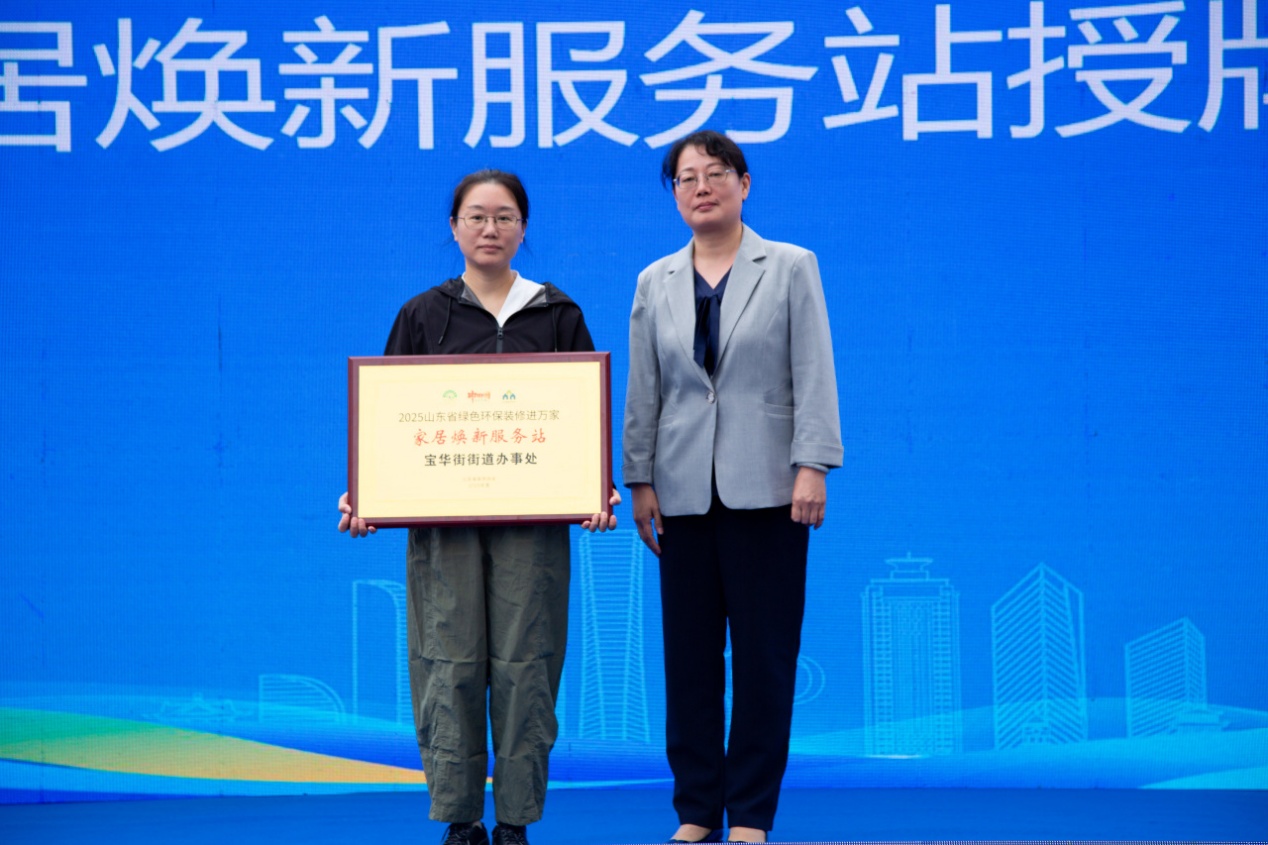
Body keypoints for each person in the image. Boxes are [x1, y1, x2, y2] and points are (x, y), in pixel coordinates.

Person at [338, 169, 619, 845]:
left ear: (523, 227)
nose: (490, 229)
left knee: (528, 662)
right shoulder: (422, 315)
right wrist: (365, 492)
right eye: (476, 216)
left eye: (504, 217)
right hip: (445, 527)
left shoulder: (557, 313)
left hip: (533, 526)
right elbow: (389, 424)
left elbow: (581, 422)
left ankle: (515, 819)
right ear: (455, 227)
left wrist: (597, 486)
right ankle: (461, 818)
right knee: (449, 662)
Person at [622, 131, 842, 843]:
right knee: (688, 661)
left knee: (764, 658)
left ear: (745, 184)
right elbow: (645, 389)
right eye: (686, 177)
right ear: (674, 195)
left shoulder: (790, 266)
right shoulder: (654, 280)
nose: (701, 187)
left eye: (716, 173)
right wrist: (638, 477)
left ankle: (749, 814)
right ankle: (695, 811)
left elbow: (814, 369)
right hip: (681, 493)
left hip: (769, 488)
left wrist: (813, 464)